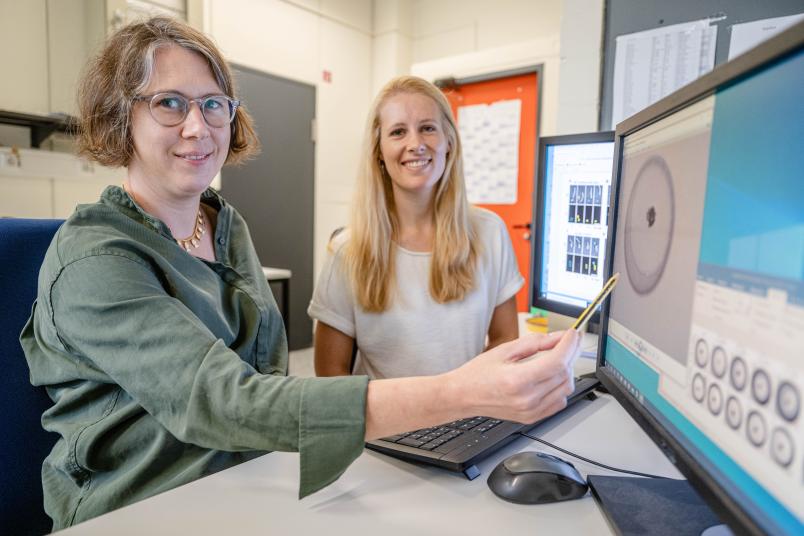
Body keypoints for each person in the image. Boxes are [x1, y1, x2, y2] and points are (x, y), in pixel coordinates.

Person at [20, 17, 580, 530]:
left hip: (252, 481)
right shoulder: (96, 259)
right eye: (169, 103)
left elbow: (270, 386)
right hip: (142, 505)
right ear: (121, 116)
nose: (198, 125)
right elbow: (226, 401)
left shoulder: (225, 227)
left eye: (215, 104)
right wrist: (458, 394)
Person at [308, 76, 522, 379]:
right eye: (398, 132)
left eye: (427, 128)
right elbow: (331, 374)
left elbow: (505, 341)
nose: (416, 144)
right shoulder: (348, 250)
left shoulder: (490, 233)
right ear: (379, 151)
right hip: (384, 425)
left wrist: (464, 399)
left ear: (449, 141)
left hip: (468, 419)